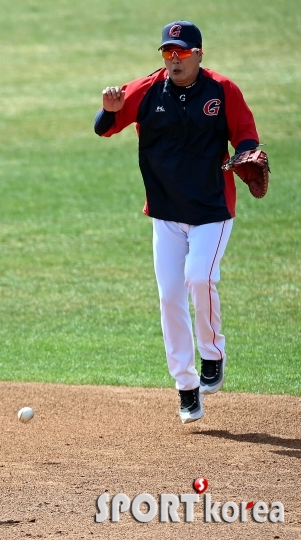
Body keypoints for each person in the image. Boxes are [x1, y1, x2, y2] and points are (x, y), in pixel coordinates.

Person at [95, 21, 262, 424]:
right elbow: (104, 128)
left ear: (199, 55)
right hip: (166, 214)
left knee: (199, 279)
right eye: (168, 52)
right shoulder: (147, 90)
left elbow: (247, 137)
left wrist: (246, 153)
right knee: (170, 297)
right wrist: (109, 110)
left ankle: (212, 354)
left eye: (182, 52)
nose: (174, 58)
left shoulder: (223, 90)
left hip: (212, 211)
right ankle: (186, 387)